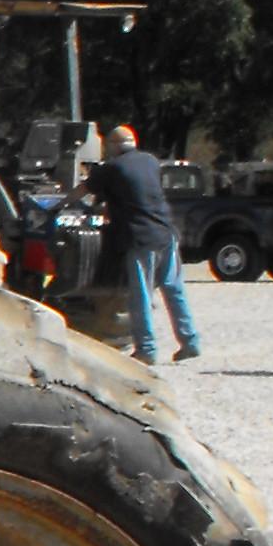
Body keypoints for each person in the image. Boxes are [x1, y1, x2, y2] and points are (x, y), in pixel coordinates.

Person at [89, 122, 201, 365]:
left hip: (140, 237)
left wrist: (58, 205)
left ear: (113, 146)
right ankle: (190, 342)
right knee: (174, 289)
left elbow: (84, 191)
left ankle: (147, 350)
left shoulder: (112, 167)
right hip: (166, 232)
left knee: (140, 294)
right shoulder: (151, 161)